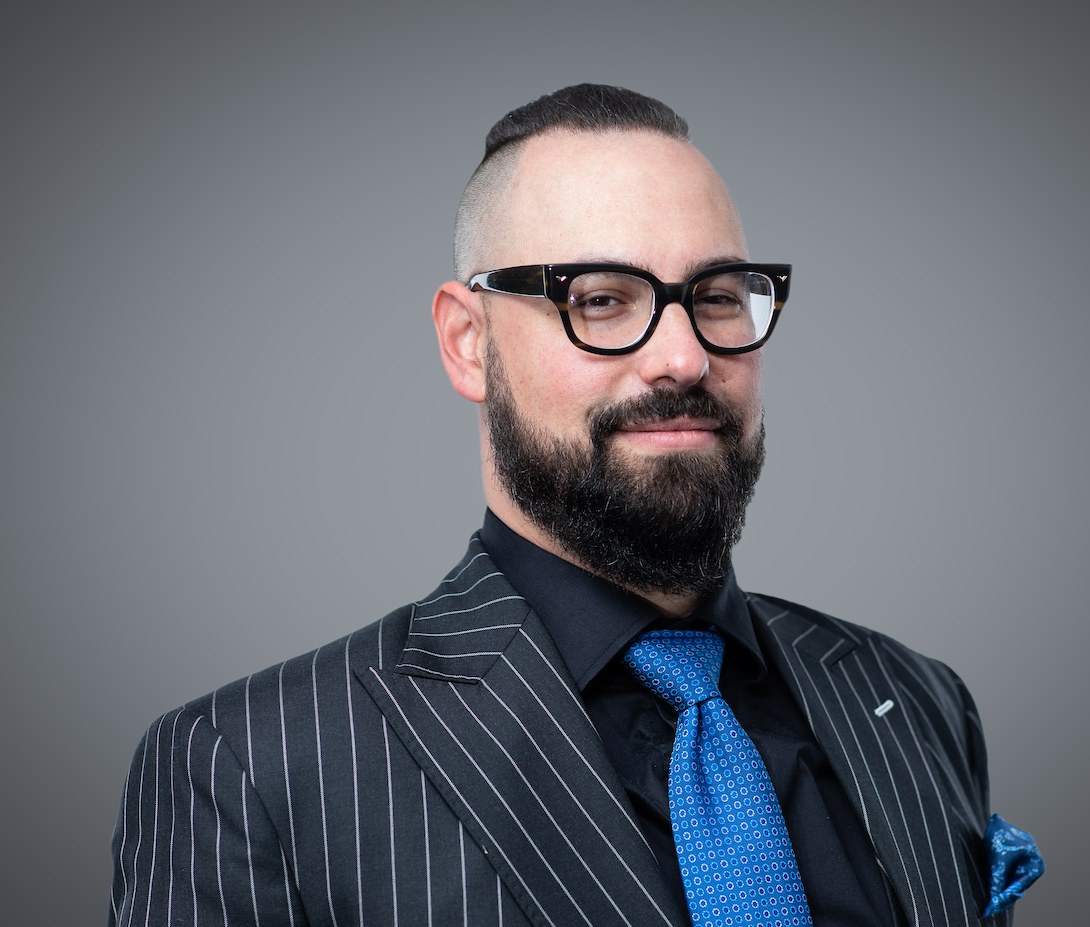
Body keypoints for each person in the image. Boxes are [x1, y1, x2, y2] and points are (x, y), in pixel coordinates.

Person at [110, 84, 1040, 927]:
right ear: (467, 342)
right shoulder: (251, 767)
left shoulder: (919, 700)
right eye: (600, 300)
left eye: (718, 296)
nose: (683, 357)